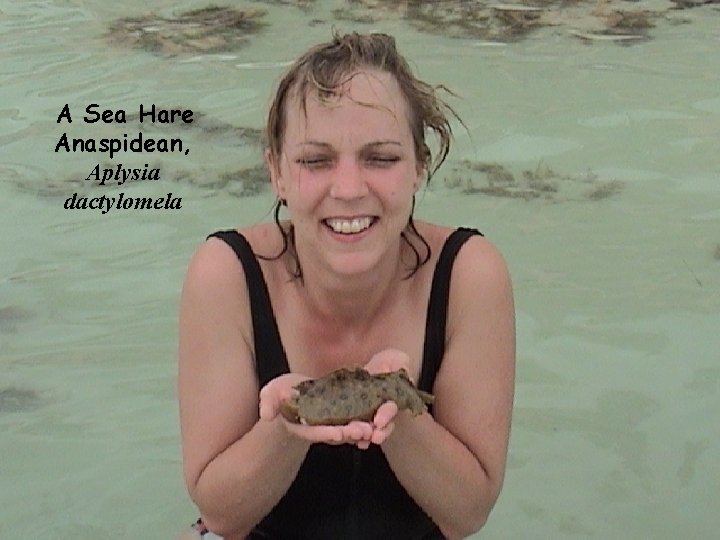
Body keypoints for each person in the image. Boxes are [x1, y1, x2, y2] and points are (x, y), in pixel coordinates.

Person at [178, 31, 515, 540]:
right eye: (316, 160)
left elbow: (467, 513)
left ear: (420, 167)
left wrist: (398, 408)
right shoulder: (226, 274)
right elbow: (222, 515)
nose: (350, 189)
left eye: (381, 158)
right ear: (277, 173)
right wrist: (286, 429)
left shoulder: (469, 273)